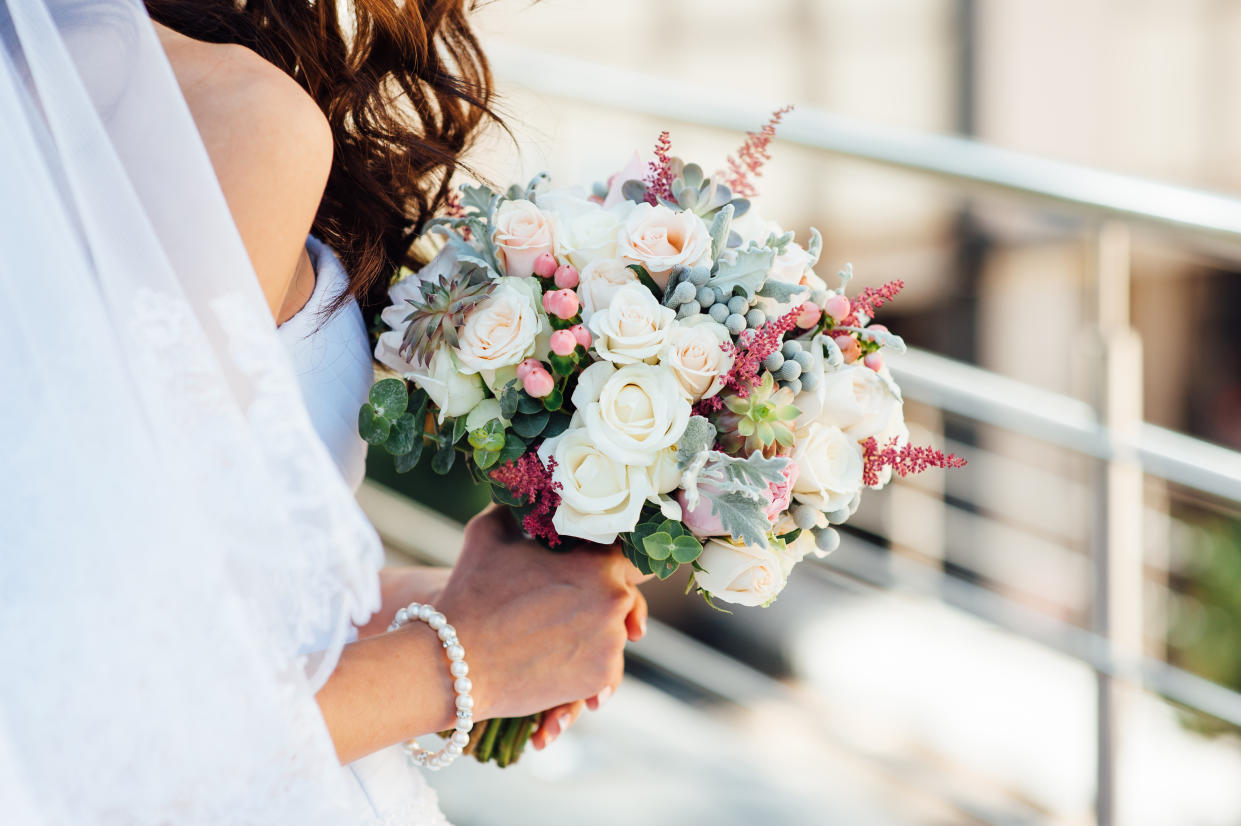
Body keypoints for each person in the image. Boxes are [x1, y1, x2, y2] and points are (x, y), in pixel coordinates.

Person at [0, 1, 645, 823]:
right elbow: (94, 744)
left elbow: (75, 580)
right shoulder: (226, 117)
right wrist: (466, 655)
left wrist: (415, 602)